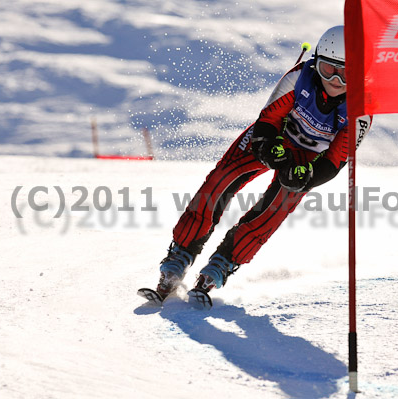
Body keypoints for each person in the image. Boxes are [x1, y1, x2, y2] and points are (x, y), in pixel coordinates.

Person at [143, 25, 372, 308]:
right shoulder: (299, 78)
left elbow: (336, 160)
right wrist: (266, 147)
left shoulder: (362, 108)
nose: (335, 80)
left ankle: (224, 262)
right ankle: (181, 252)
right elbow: (268, 119)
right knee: (222, 180)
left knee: (276, 207)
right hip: (275, 136)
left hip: (308, 158)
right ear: (315, 64)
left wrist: (308, 177)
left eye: (346, 74)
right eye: (327, 70)